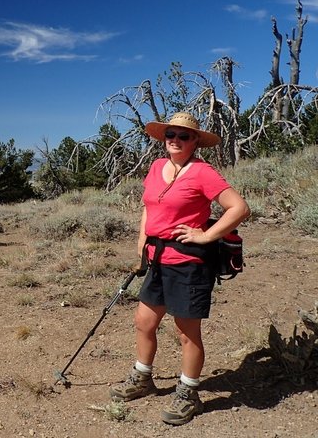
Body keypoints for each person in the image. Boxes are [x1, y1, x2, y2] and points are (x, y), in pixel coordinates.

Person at [109, 112, 249, 425]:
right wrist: (140, 249)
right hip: (157, 258)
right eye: (171, 134)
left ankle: (189, 393)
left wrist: (206, 235)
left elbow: (239, 208)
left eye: (184, 136)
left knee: (187, 333)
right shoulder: (157, 166)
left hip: (188, 262)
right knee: (144, 322)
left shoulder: (202, 172)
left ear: (195, 141)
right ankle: (143, 378)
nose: (175, 140)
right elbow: (149, 209)